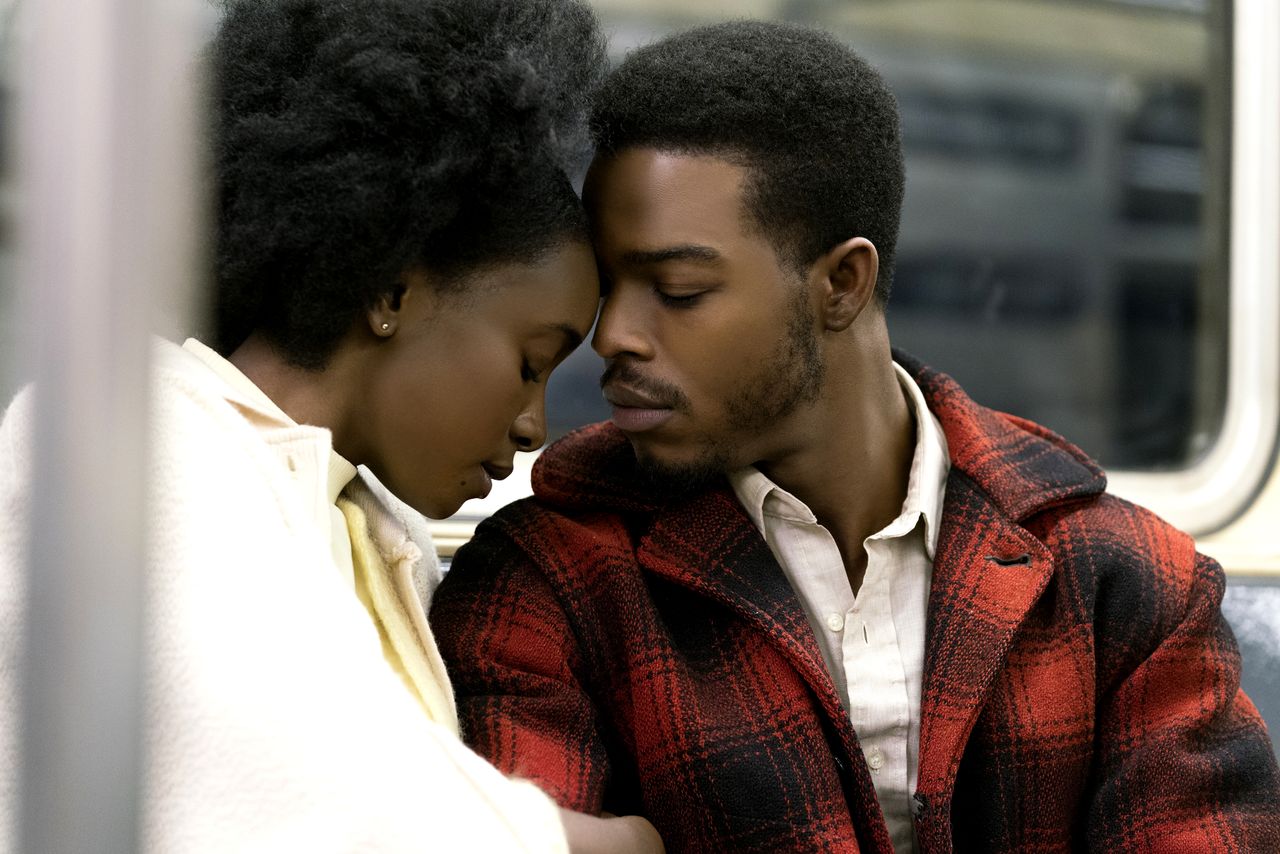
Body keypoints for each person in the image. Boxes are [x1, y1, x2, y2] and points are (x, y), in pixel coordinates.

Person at [430, 19, 1280, 854]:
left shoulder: (1123, 582)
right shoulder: (551, 580)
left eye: (678, 288)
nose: (612, 334)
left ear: (842, 282)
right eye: (608, 287)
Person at [0, 0, 662, 850]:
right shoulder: (129, 441)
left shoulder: (356, 524)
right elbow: (338, 810)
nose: (535, 424)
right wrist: (627, 843)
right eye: (531, 362)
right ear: (392, 294)